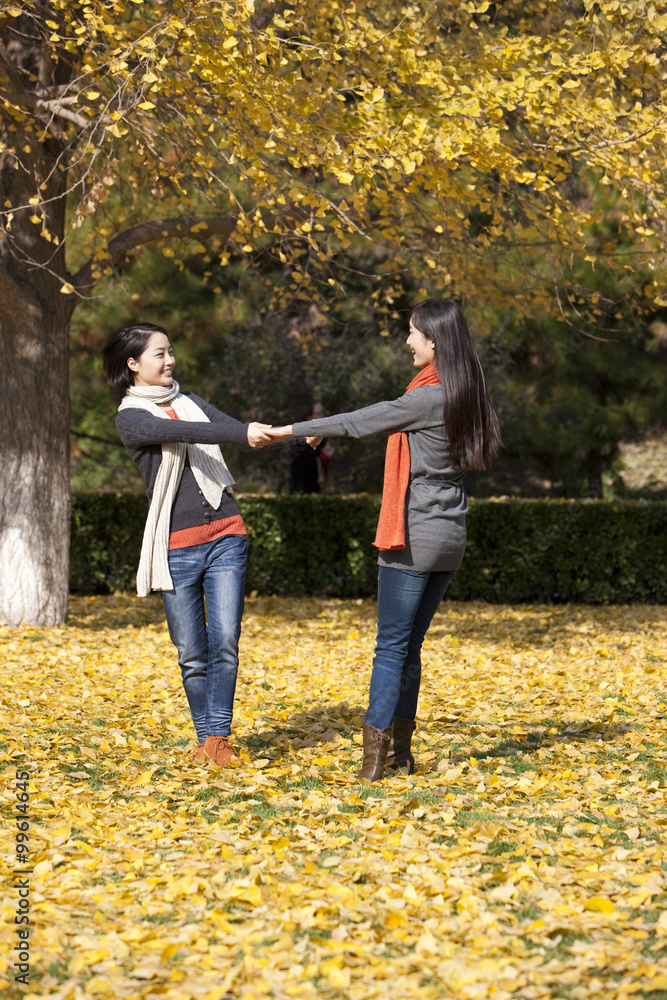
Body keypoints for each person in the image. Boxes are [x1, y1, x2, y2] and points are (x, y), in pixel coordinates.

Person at [266, 299, 501, 780]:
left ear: (434, 340)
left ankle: (374, 762)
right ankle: (401, 755)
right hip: (451, 532)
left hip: (413, 532)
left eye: (413, 332)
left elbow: (362, 419)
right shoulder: (467, 393)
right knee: (409, 647)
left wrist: (293, 430)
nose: (407, 340)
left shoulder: (427, 397)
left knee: (390, 647)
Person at [102, 322, 274, 768]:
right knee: (191, 652)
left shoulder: (190, 402)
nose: (170, 360)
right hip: (176, 546)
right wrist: (243, 433)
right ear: (133, 364)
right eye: (159, 354)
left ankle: (216, 739)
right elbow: (201, 434)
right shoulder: (131, 418)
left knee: (226, 640)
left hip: (226, 534)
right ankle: (207, 740)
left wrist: (290, 432)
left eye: (171, 350)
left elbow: (231, 427)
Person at [288, 401, 328, 494]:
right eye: (318, 413)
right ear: (309, 417)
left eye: (322, 413)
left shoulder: (320, 438)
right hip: (302, 490)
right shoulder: (301, 440)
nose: (323, 416)